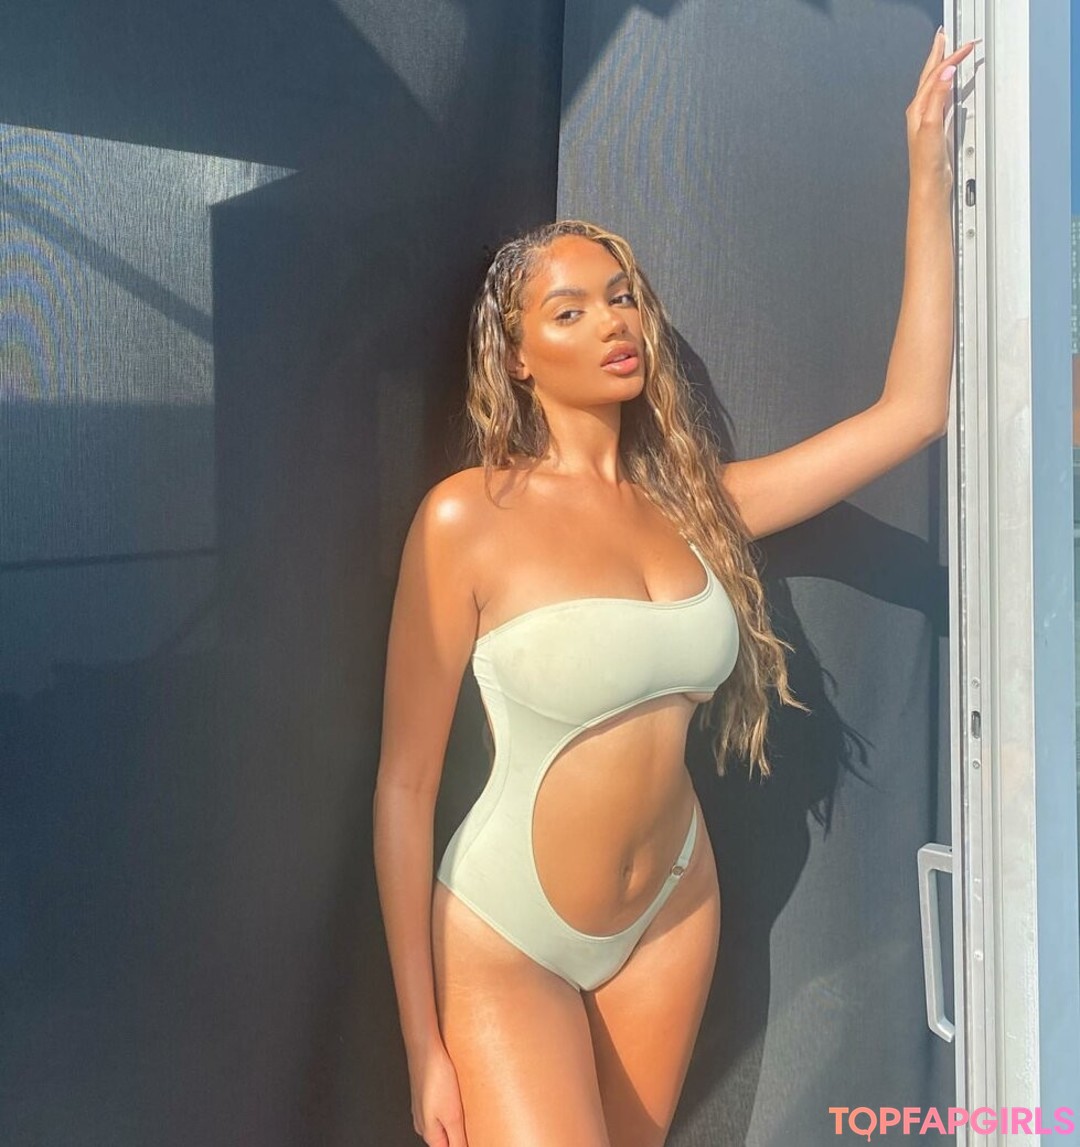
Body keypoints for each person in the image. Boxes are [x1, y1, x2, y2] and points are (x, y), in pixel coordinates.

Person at [373, 29, 978, 1147]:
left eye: (621, 299)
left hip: (671, 914)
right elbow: (405, 787)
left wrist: (927, 169)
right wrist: (424, 1043)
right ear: (517, 356)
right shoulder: (467, 518)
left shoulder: (701, 506)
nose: (613, 322)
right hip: (508, 932)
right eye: (570, 311)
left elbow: (913, 412)